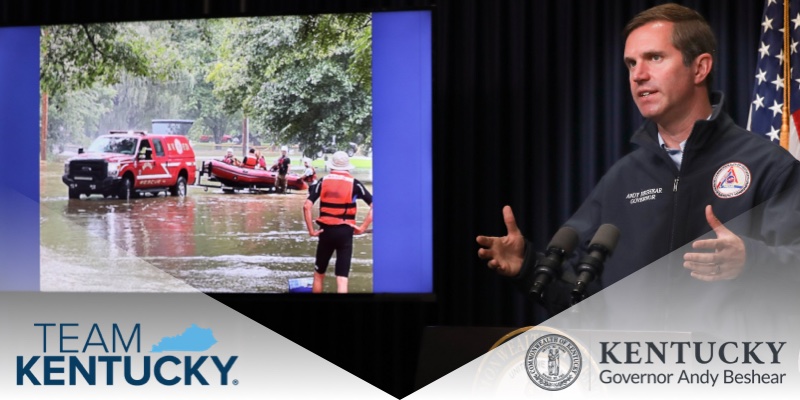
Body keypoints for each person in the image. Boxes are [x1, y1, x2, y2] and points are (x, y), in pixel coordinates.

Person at [476, 4, 800, 320]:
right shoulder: (622, 179)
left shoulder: (768, 166)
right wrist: (528, 268)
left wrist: (752, 261)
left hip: (728, 371)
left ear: (700, 68)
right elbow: (585, 303)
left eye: (654, 58)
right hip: (633, 371)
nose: (639, 75)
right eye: (631, 64)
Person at [303, 151, 373, 293]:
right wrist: (362, 228)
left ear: (331, 166)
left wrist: (311, 231)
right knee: (342, 278)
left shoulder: (323, 181)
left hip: (326, 232)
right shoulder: (355, 183)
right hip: (346, 232)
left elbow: (306, 206)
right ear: (347, 167)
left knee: (318, 275)